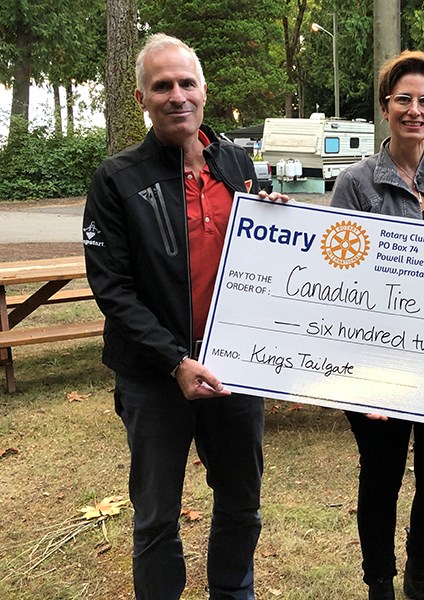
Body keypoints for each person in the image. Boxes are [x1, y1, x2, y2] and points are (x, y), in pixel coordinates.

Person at [83, 33, 288, 599]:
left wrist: (282, 228)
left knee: (242, 503)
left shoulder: (236, 163)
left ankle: (232, 593)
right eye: (162, 86)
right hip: (154, 377)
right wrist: (174, 361)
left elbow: (266, 262)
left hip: (233, 369)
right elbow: (113, 288)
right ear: (142, 99)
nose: (177, 95)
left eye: (186, 83)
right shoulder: (117, 179)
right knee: (156, 518)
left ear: (204, 91)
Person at [330, 50, 424, 600]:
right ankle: (379, 583)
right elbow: (337, 270)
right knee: (381, 474)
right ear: (386, 108)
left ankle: (422, 568)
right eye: (403, 100)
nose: (413, 110)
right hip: (377, 360)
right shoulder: (354, 184)